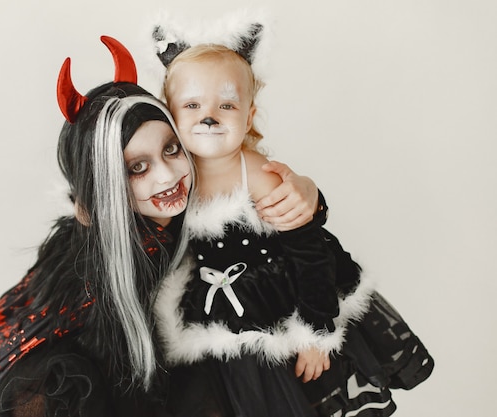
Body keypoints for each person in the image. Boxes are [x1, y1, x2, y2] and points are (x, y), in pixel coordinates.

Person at [0, 36, 321, 417]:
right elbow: (122, 372)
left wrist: (308, 195)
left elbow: (266, 208)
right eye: (137, 168)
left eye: (171, 149)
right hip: (80, 364)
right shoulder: (101, 262)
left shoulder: (198, 172)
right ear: (104, 188)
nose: (167, 176)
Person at [150, 20, 434, 417]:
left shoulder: (261, 175)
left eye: (226, 105)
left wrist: (316, 330)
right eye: (192, 105)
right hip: (219, 322)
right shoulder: (171, 176)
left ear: (248, 117)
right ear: (170, 115)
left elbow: (312, 252)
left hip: (285, 305)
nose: (209, 117)